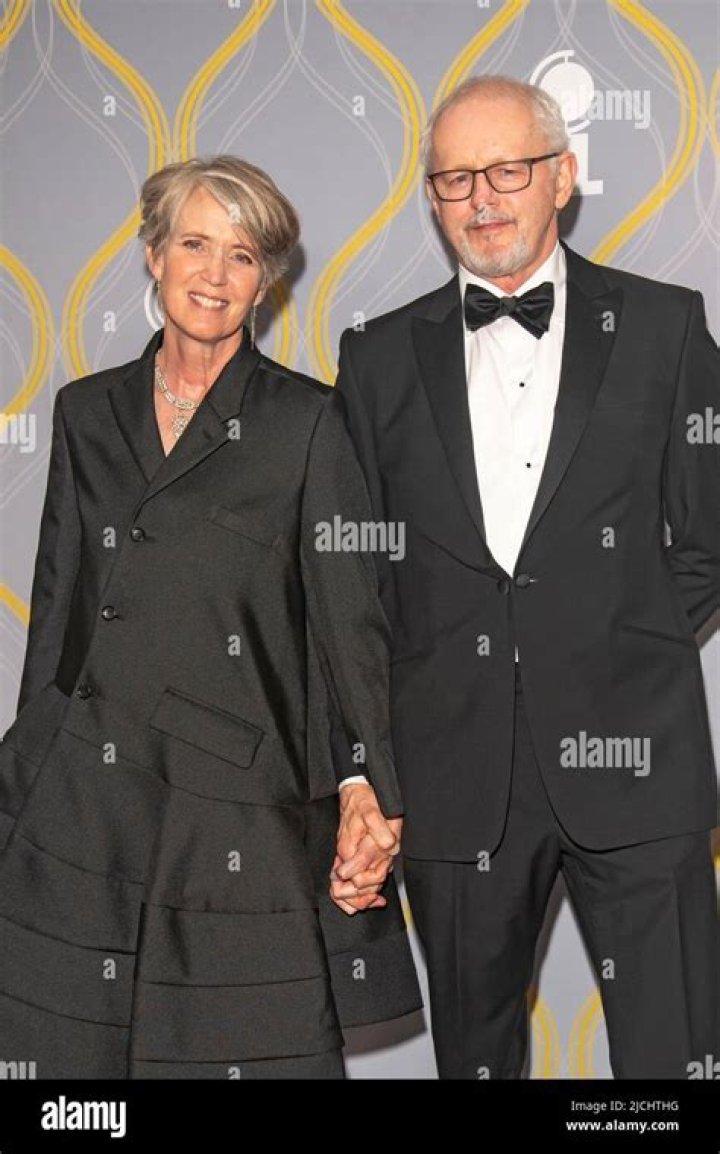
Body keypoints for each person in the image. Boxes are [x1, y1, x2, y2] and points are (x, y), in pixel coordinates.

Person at [331, 76, 720, 1078]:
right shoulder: (375, 360)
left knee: (674, 1061)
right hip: (452, 775)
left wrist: (614, 640)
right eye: (455, 178)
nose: (482, 198)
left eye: (507, 170)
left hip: (638, 764)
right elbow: (355, 581)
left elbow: (711, 534)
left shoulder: (666, 327)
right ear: (432, 197)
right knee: (476, 1062)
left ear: (563, 176)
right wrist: (363, 764)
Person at [0, 155, 420, 1079]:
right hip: (81, 794)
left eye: (242, 255)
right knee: (66, 1059)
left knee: (237, 1050)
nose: (215, 275)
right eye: (194, 244)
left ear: (265, 281)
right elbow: (60, 609)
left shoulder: (307, 424)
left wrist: (365, 782)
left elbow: (348, 626)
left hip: (229, 805)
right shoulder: (84, 412)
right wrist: (28, 764)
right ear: (154, 255)